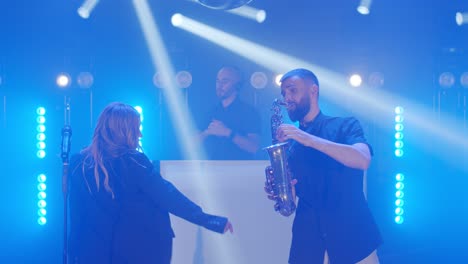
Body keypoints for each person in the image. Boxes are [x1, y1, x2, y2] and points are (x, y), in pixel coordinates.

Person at [68, 102, 233, 264]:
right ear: (124, 131)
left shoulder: (79, 163)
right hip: (138, 249)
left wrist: (72, 253)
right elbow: (168, 196)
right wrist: (209, 220)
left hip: (93, 251)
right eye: (136, 128)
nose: (140, 135)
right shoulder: (133, 162)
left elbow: (75, 215)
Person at [265, 69, 382, 264]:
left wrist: (308, 138)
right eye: (284, 93)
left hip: (353, 239)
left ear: (313, 90)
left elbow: (363, 159)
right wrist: (283, 191)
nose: (287, 98)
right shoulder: (291, 145)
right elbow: (290, 206)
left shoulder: (345, 125)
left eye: (292, 90)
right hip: (308, 243)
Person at [197, 66, 261, 160]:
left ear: (237, 85)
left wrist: (227, 132)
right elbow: (190, 144)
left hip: (241, 169)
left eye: (225, 81)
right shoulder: (210, 112)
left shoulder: (249, 112)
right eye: (218, 81)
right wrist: (207, 132)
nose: (219, 85)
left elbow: (254, 147)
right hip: (213, 168)